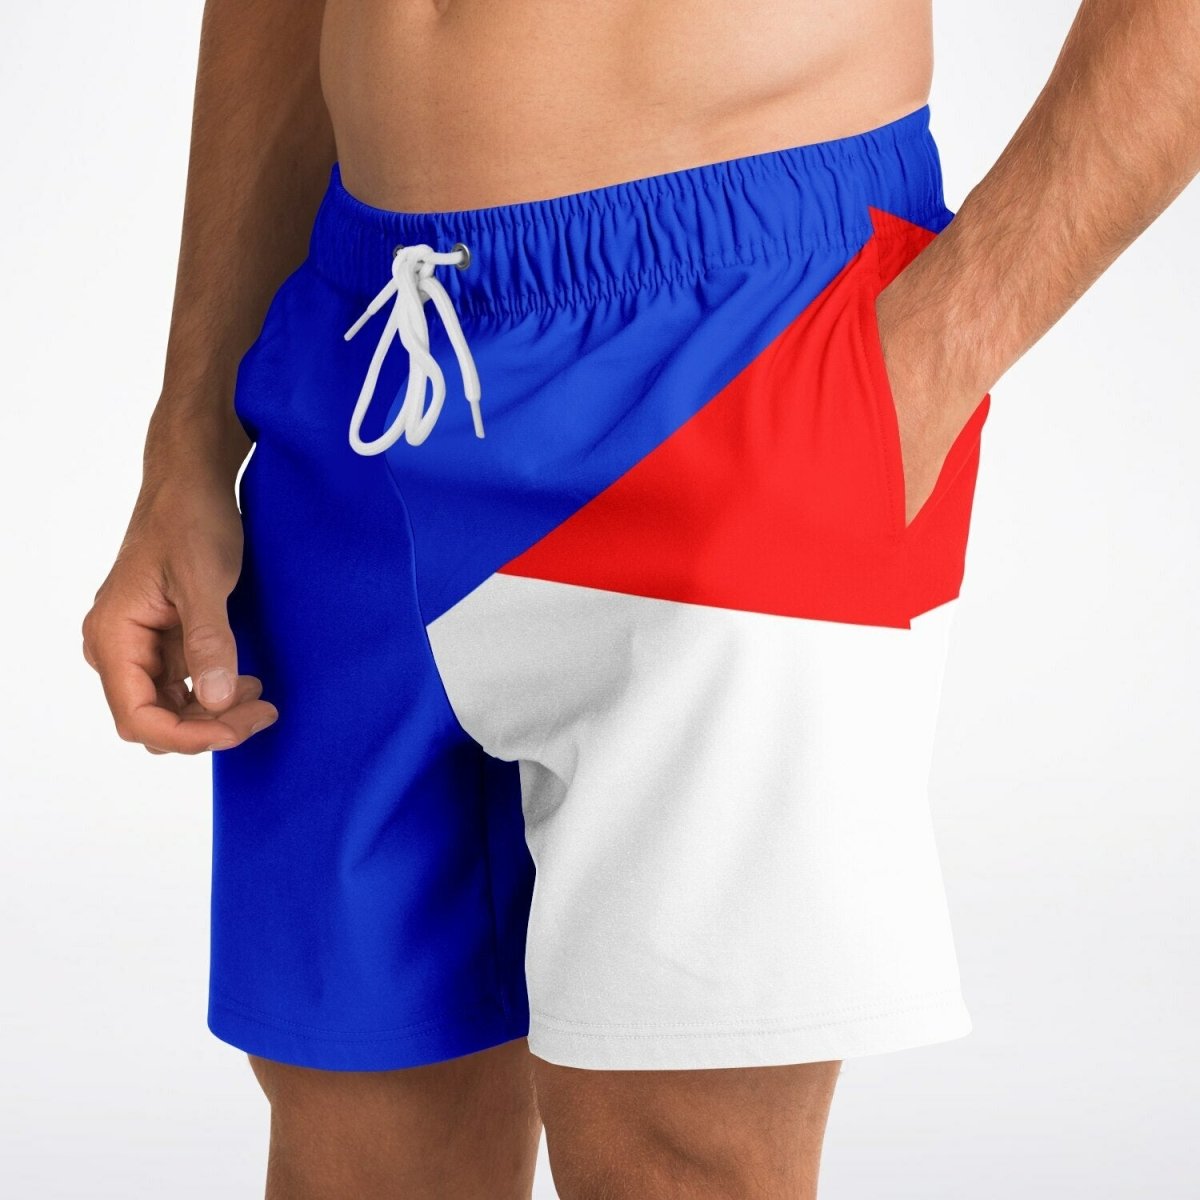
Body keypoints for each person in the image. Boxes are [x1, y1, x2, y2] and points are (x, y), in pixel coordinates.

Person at [82, 1, 1200, 1196]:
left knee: (679, 1159)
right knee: (354, 1152)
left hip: (732, 355)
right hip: (362, 354)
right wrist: (188, 436)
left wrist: (935, 355)